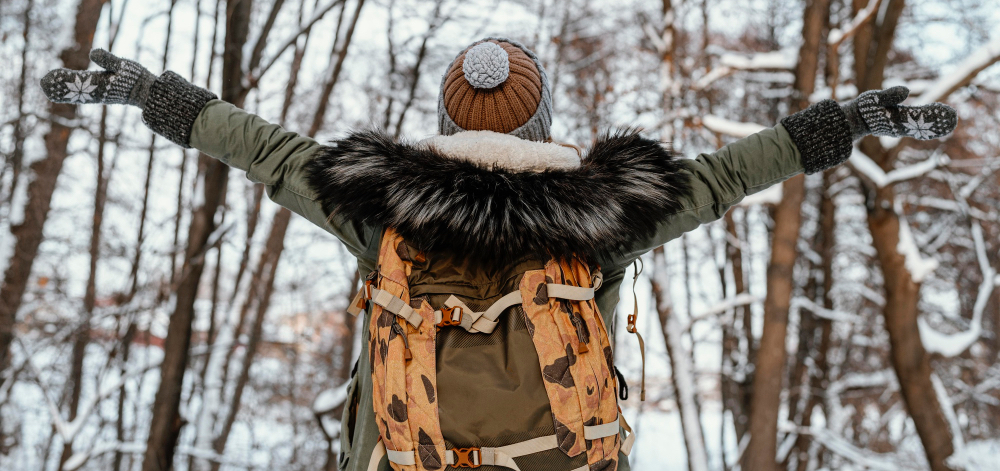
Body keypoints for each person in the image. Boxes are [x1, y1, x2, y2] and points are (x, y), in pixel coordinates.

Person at [41, 38, 956, 471]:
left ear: (442, 123)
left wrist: (148, 93)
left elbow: (266, 150)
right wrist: (846, 121)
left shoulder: (379, 209)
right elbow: (727, 174)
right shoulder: (604, 218)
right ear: (545, 124)